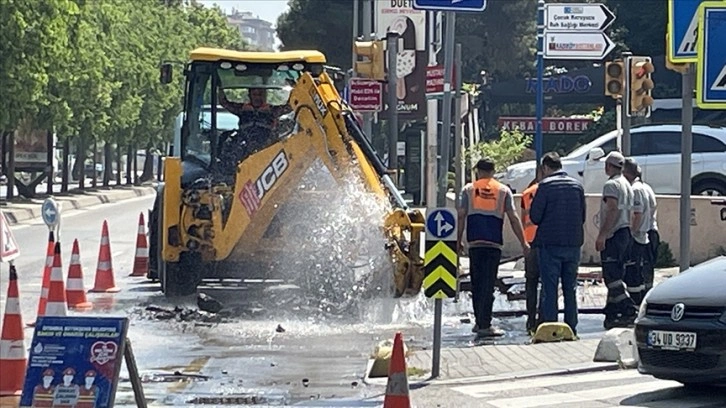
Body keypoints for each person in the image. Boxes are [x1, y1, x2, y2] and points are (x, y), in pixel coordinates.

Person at [457, 157, 530, 337]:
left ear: (479, 171)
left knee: (477, 283)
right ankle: (485, 324)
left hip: (474, 243)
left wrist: (457, 240)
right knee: (488, 284)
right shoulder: (503, 191)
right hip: (493, 244)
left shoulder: (468, 189)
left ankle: (479, 321)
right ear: (493, 171)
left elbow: (461, 216)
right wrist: (523, 242)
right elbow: (513, 218)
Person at [529, 152, 586, 336]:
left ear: (545, 167)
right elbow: (582, 216)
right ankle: (572, 328)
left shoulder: (544, 186)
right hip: (573, 244)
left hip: (550, 244)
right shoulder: (577, 186)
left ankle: (552, 329)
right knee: (570, 288)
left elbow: (535, 217)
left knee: (550, 288)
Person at [596, 151, 636, 329]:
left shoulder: (611, 185)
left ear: (609, 166)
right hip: (626, 232)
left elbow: (612, 210)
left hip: (614, 234)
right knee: (617, 274)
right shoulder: (626, 184)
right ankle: (612, 314)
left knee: (611, 277)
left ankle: (629, 309)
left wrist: (603, 234)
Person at [520, 166, 544, 334]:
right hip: (545, 243)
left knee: (531, 282)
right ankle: (543, 319)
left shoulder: (526, 194)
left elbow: (523, 219)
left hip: (530, 241)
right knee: (547, 283)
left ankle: (530, 319)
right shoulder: (547, 191)